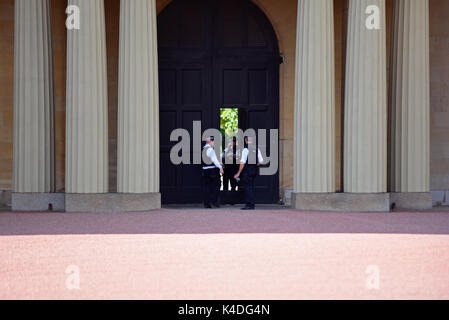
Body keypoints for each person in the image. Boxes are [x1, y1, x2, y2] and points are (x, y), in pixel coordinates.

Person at [234, 136, 264, 210]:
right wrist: (254, 165)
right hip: (254, 171)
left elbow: (242, 162)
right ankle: (251, 203)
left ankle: (249, 204)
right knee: (250, 187)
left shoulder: (245, 150)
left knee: (248, 188)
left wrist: (238, 173)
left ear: (246, 141)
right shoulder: (257, 149)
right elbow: (261, 161)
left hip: (247, 171)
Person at [202, 137, 224, 208]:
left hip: (205, 170)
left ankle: (207, 203)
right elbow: (214, 160)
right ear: (209, 142)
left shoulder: (203, 149)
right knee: (217, 185)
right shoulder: (210, 150)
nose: (214, 143)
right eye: (213, 142)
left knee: (207, 187)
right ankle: (214, 202)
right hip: (212, 171)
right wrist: (220, 167)